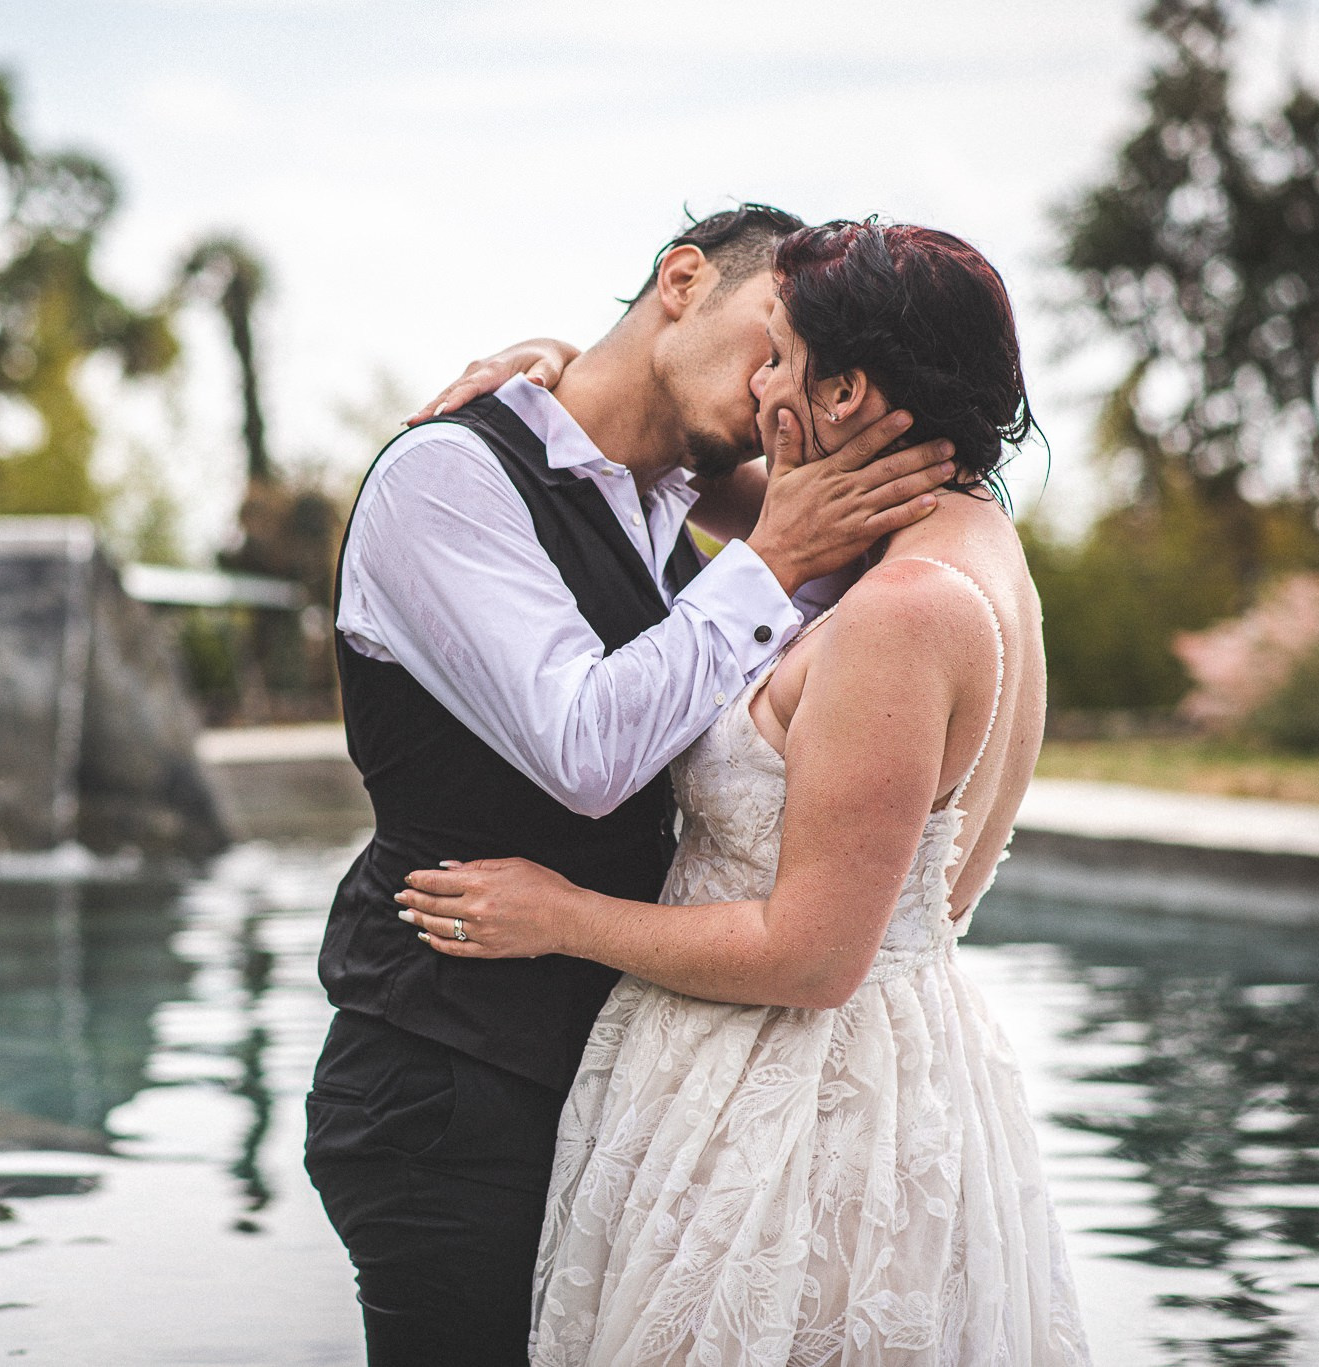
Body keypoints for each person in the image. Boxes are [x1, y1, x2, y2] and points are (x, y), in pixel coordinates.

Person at [395, 220, 1093, 1365]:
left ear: (851, 387)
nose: (757, 386)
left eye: (777, 358)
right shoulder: (955, 541)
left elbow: (814, 956)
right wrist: (561, 370)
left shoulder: (902, 608)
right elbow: (688, 472)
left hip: (793, 1110)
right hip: (871, 1067)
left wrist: (559, 917)